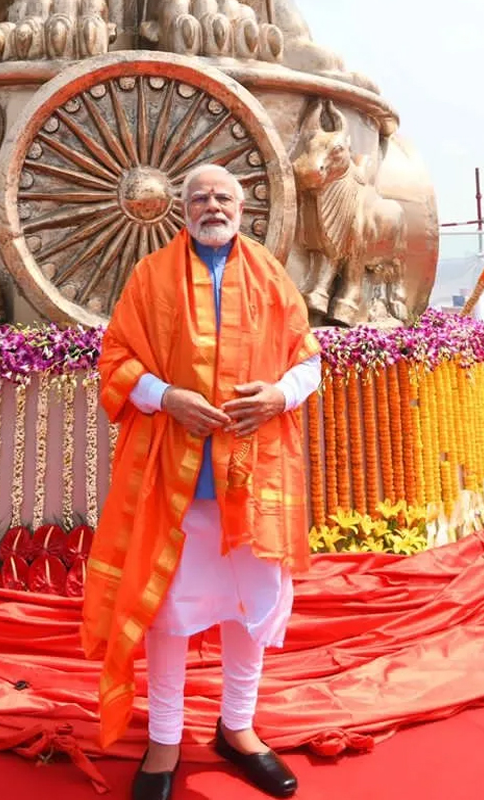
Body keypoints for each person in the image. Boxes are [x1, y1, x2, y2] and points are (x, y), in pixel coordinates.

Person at [82, 163, 322, 800]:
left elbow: (309, 361)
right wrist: (166, 398)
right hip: (176, 481)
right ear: (180, 209)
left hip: (253, 479)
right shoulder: (151, 276)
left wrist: (277, 395)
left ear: (241, 208)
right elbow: (116, 359)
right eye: (199, 197)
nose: (211, 205)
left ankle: (238, 728)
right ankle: (165, 739)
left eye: (223, 196)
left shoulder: (272, 276)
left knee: (251, 613)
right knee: (167, 615)